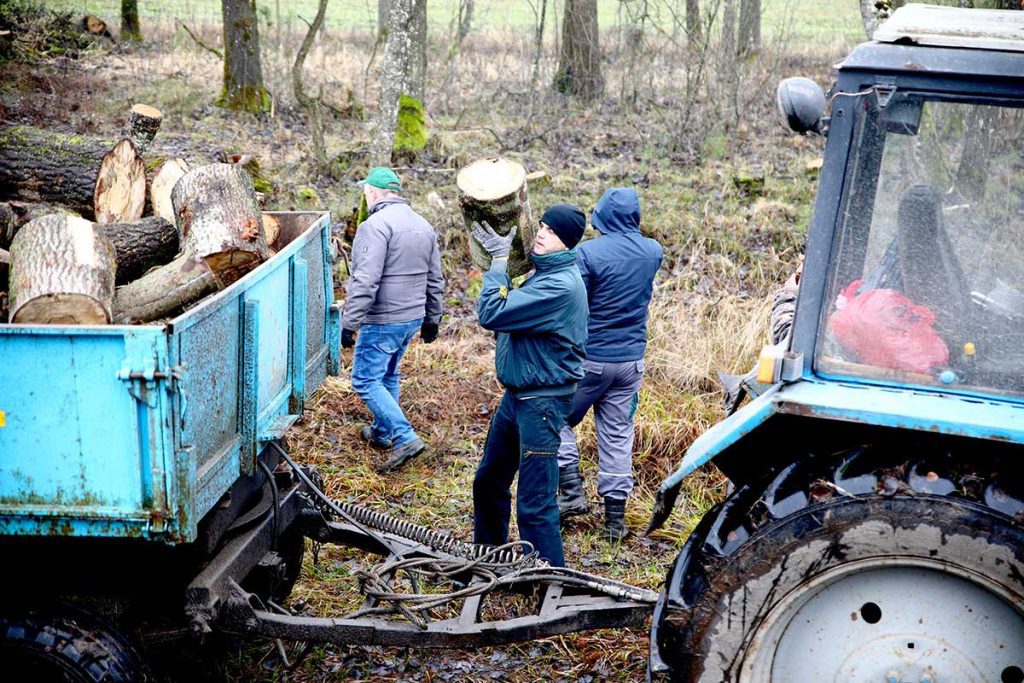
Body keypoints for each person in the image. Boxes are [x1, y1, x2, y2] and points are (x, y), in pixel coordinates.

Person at [471, 205, 588, 567]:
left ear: (566, 243)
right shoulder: (542, 274)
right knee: (489, 481)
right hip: (519, 396)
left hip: (542, 403)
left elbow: (491, 313)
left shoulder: (560, 286)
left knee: (535, 504)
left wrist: (499, 261)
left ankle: (551, 583)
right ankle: (489, 561)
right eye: (541, 225)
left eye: (551, 232)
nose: (540, 233)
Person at [556, 187, 663, 541]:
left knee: (555, 418)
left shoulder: (587, 253)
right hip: (631, 362)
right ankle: (614, 522)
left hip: (590, 360)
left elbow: (573, 302)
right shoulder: (653, 251)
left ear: (601, 215)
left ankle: (571, 495)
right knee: (617, 436)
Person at [341, 167, 445, 472]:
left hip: (384, 319)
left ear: (372, 193)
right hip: (411, 318)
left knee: (364, 379)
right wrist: (432, 318)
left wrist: (350, 322)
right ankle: (383, 432)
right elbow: (435, 278)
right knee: (388, 375)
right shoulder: (423, 224)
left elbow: (365, 280)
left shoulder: (375, 226)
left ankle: (403, 436)